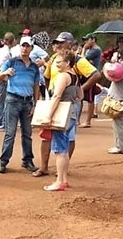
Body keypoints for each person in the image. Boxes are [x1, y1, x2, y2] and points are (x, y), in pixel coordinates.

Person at [33, 32, 100, 177]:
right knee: (46, 135)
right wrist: (50, 92)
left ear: (70, 44)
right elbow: (47, 77)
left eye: (61, 42)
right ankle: (44, 167)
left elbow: (96, 74)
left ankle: (62, 169)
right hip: (54, 100)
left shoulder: (77, 60)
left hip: (69, 103)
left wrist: (80, 89)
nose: (57, 45)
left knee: (67, 136)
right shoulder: (53, 58)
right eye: (56, 42)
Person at [36, 50, 81, 191]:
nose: (56, 64)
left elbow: (56, 96)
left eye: (59, 62)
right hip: (72, 111)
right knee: (64, 147)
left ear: (67, 63)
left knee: (59, 149)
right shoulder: (75, 76)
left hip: (62, 114)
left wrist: (48, 116)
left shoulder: (63, 76)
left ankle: (59, 181)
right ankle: (64, 179)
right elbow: (80, 95)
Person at [0, 36, 41, 174]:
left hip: (27, 101)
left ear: (31, 48)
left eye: (27, 46)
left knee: (27, 133)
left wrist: (35, 103)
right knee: (10, 133)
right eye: (23, 46)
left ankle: (27, 160)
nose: (25, 48)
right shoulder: (12, 62)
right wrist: (5, 72)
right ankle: (3, 161)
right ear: (19, 47)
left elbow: (36, 86)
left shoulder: (34, 67)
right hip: (13, 100)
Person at [105, 50, 123, 154]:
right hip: (118, 99)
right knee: (116, 124)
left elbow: (113, 62)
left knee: (120, 125)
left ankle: (120, 147)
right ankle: (117, 145)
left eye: (121, 57)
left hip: (121, 100)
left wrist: (115, 56)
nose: (120, 59)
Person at [0, 32, 16, 131]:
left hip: (3, 77)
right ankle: (0, 122)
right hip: (3, 79)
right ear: (12, 40)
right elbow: (1, 66)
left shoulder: (4, 51)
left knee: (4, 100)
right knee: (3, 101)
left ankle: (2, 122)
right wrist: (4, 76)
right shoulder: (5, 52)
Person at [80, 33, 102, 127]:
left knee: (90, 98)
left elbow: (82, 60)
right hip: (85, 74)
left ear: (93, 40)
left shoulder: (96, 50)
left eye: (87, 40)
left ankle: (88, 121)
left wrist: (84, 49)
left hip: (91, 75)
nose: (85, 42)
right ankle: (79, 120)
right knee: (81, 97)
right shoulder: (91, 50)